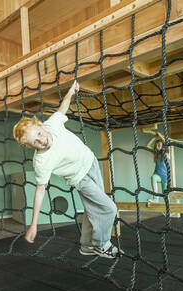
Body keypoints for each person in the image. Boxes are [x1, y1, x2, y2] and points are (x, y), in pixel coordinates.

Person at [12, 80, 121, 259]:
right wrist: (34, 224)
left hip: (91, 162)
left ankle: (86, 246)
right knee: (109, 208)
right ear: (31, 147)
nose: (41, 141)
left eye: (39, 134)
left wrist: (70, 92)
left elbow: (62, 109)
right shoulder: (41, 161)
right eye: (35, 143)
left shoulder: (51, 125)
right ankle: (101, 244)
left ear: (40, 125)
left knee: (93, 209)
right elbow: (39, 192)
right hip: (81, 179)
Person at [146, 134, 170, 205]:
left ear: (163, 146)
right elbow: (147, 146)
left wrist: (161, 136)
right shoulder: (155, 154)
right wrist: (154, 137)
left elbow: (167, 143)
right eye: (156, 145)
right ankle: (156, 198)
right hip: (157, 175)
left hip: (165, 177)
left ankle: (168, 209)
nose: (158, 146)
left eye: (159, 145)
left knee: (165, 195)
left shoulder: (167, 154)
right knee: (153, 177)